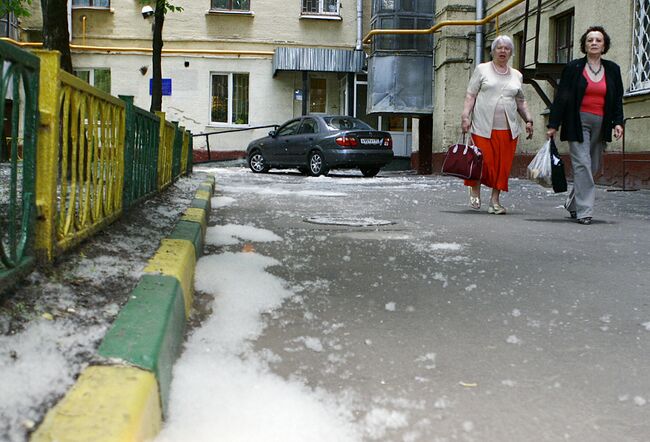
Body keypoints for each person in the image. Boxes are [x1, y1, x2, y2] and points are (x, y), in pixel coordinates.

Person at [547, 26, 624, 225]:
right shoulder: (574, 68)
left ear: (604, 44)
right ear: (584, 44)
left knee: (593, 167)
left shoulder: (613, 69)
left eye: (598, 40)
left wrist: (618, 122)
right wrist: (553, 124)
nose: (594, 43)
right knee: (582, 164)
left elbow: (616, 100)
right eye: (590, 40)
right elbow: (562, 97)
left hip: (602, 123)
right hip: (577, 121)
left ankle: (573, 203)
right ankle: (584, 212)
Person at [461, 35, 534, 214]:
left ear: (511, 52)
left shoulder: (517, 75)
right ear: (493, 51)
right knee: (483, 163)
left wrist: (529, 120)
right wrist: (465, 116)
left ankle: (495, 201)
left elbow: (521, 101)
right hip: (482, 127)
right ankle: (475, 190)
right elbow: (471, 94)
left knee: (502, 167)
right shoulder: (482, 70)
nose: (503, 51)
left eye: (507, 48)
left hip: (508, 130)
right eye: (499, 48)